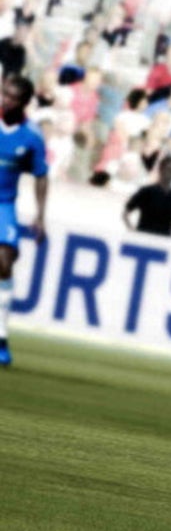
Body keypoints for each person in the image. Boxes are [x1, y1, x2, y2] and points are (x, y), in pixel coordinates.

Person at [0, 75, 48, 367]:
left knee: (4, 261)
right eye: (3, 94)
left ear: (24, 103)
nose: (5, 100)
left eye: (12, 97)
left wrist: (40, 215)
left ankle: (1, 336)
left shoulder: (32, 136)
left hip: (3, 204)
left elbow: (41, 176)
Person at [122, 154, 171, 237]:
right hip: (144, 237)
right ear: (161, 169)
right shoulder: (147, 191)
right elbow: (126, 212)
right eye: (169, 170)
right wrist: (133, 232)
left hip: (164, 240)